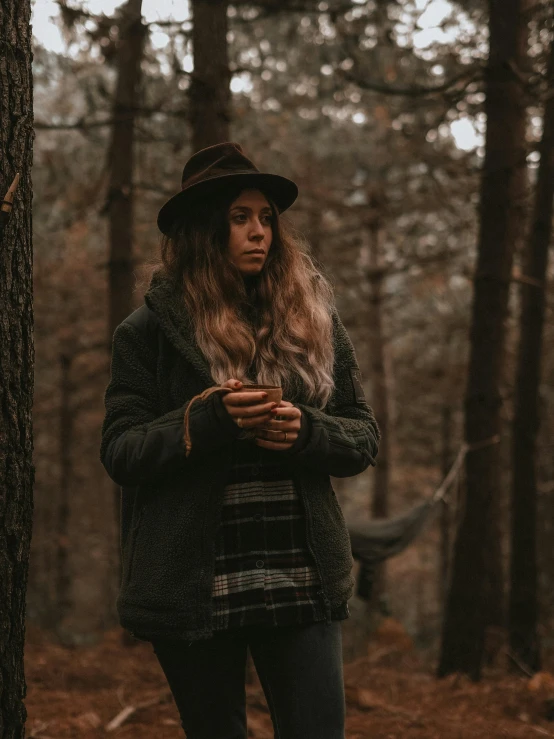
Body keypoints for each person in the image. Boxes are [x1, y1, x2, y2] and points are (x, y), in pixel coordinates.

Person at [100, 142, 380, 739]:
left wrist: (307, 431)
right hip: (195, 582)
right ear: (204, 230)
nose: (259, 232)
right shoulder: (145, 332)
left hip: (300, 575)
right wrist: (206, 421)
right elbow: (121, 451)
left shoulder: (314, 320)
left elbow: (362, 435)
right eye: (239, 218)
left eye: (266, 218)